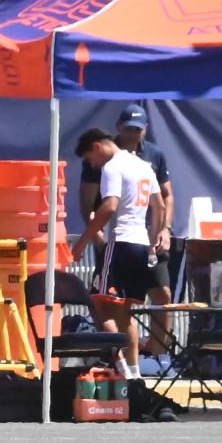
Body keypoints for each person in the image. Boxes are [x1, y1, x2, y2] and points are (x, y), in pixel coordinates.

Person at [71, 128, 165, 388]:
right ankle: (134, 374)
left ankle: (122, 365)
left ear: (98, 146)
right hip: (141, 245)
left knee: (99, 304)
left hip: (121, 242)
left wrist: (83, 240)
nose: (93, 164)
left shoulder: (113, 167)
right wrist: (153, 239)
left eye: (91, 158)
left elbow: (109, 206)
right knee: (126, 313)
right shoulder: (144, 166)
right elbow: (160, 206)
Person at [80, 104, 175, 351]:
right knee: (120, 309)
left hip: (130, 241)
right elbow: (89, 202)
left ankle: (140, 358)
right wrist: (98, 237)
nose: (133, 134)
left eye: (138, 129)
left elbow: (112, 206)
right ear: (118, 128)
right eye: (129, 129)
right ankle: (128, 367)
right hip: (134, 242)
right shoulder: (128, 163)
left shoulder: (133, 161)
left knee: (109, 305)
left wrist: (163, 231)